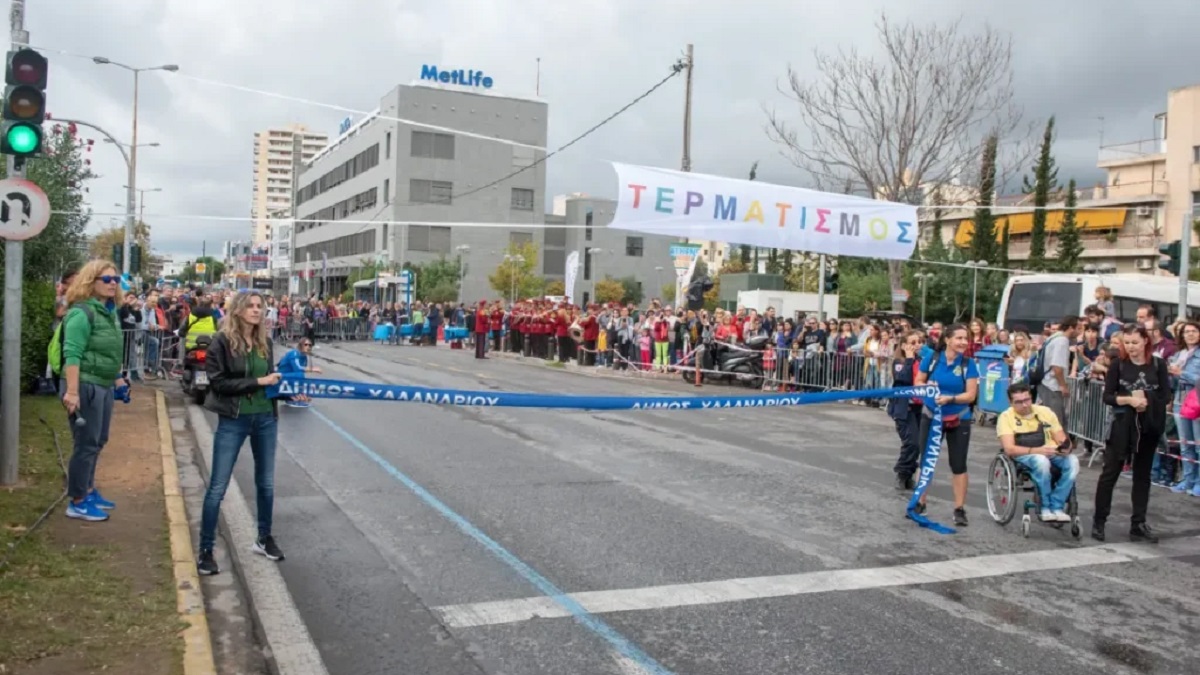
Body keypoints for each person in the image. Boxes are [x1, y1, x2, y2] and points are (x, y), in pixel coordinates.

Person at [197, 292, 284, 575]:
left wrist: (282, 385)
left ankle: (264, 537)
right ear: (237, 310)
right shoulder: (220, 343)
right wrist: (259, 381)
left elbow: (269, 380)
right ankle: (206, 550)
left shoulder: (265, 343)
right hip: (233, 420)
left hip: (265, 419)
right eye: (251, 306)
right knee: (217, 488)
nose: (257, 311)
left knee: (267, 484)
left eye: (260, 307)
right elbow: (219, 384)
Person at [60, 260, 129, 522]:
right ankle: (77, 501)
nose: (113, 283)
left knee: (98, 440)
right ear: (91, 282)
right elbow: (72, 354)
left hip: (103, 384)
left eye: (116, 279)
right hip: (85, 386)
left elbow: (108, 352)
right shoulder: (81, 313)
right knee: (86, 444)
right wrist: (73, 392)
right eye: (106, 279)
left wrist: (119, 380)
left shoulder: (107, 312)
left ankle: (87, 491)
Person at [1092, 323, 1168, 543]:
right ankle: (1099, 520)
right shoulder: (1118, 365)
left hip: (1148, 424)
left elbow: (1166, 395)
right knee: (1110, 473)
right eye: (1127, 343)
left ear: (1145, 340)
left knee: (1142, 476)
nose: (1131, 347)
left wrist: (1147, 399)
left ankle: (1138, 523)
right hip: (1122, 424)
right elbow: (1107, 396)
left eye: (1135, 342)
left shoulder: (1158, 364)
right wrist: (1128, 400)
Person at [914, 323, 979, 526]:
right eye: (959, 338)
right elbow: (918, 382)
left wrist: (950, 399)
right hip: (931, 414)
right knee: (926, 460)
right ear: (947, 339)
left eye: (965, 338)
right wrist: (927, 387)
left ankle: (959, 509)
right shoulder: (932, 359)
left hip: (959, 417)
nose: (963, 342)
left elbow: (970, 395)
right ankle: (920, 502)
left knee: (958, 464)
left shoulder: (969, 364)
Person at [996, 382, 1078, 522]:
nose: (1025, 405)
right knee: (1041, 461)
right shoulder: (1005, 417)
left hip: (1051, 451)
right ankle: (1045, 506)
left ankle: (1056, 505)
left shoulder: (1045, 412)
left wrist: (1066, 447)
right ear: (1011, 403)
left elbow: (1061, 438)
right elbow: (1009, 449)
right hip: (1024, 454)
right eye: (1019, 402)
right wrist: (1037, 451)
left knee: (1073, 461)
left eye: (1027, 400)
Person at [276, 338, 321, 408]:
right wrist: (312, 369)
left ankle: (296, 396)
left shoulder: (304, 356)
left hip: (289, 377)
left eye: (310, 345)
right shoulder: (294, 353)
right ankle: (293, 397)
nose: (308, 347)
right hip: (281, 376)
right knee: (300, 375)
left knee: (302, 378)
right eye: (306, 345)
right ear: (301, 345)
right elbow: (297, 368)